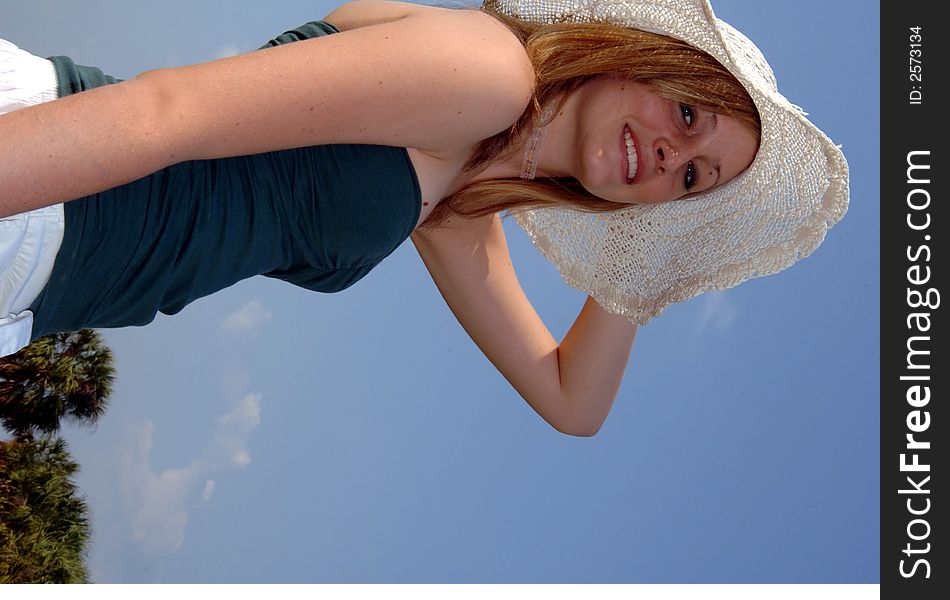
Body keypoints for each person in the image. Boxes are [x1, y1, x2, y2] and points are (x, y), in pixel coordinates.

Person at [0, 0, 847, 435]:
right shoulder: (485, 76)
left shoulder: (458, 203)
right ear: (643, 55)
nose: (672, 156)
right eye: (690, 117)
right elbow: (164, 112)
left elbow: (571, 403)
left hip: (37, 278)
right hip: (33, 185)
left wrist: (649, 253)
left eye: (694, 178)